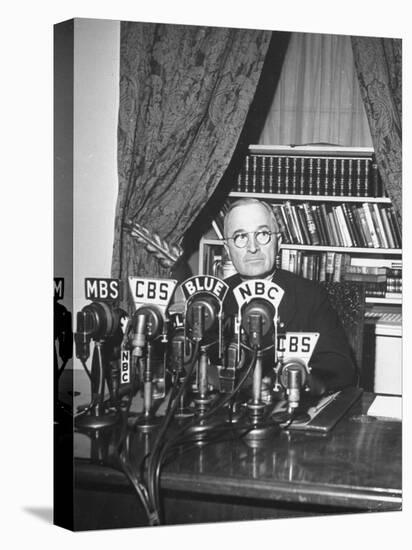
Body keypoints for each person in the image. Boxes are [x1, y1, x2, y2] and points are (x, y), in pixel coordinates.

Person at [222, 198, 357, 396]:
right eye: (240, 236)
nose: (252, 247)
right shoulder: (214, 299)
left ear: (279, 241)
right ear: (227, 249)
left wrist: (297, 382)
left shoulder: (309, 295)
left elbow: (339, 367)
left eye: (262, 234)